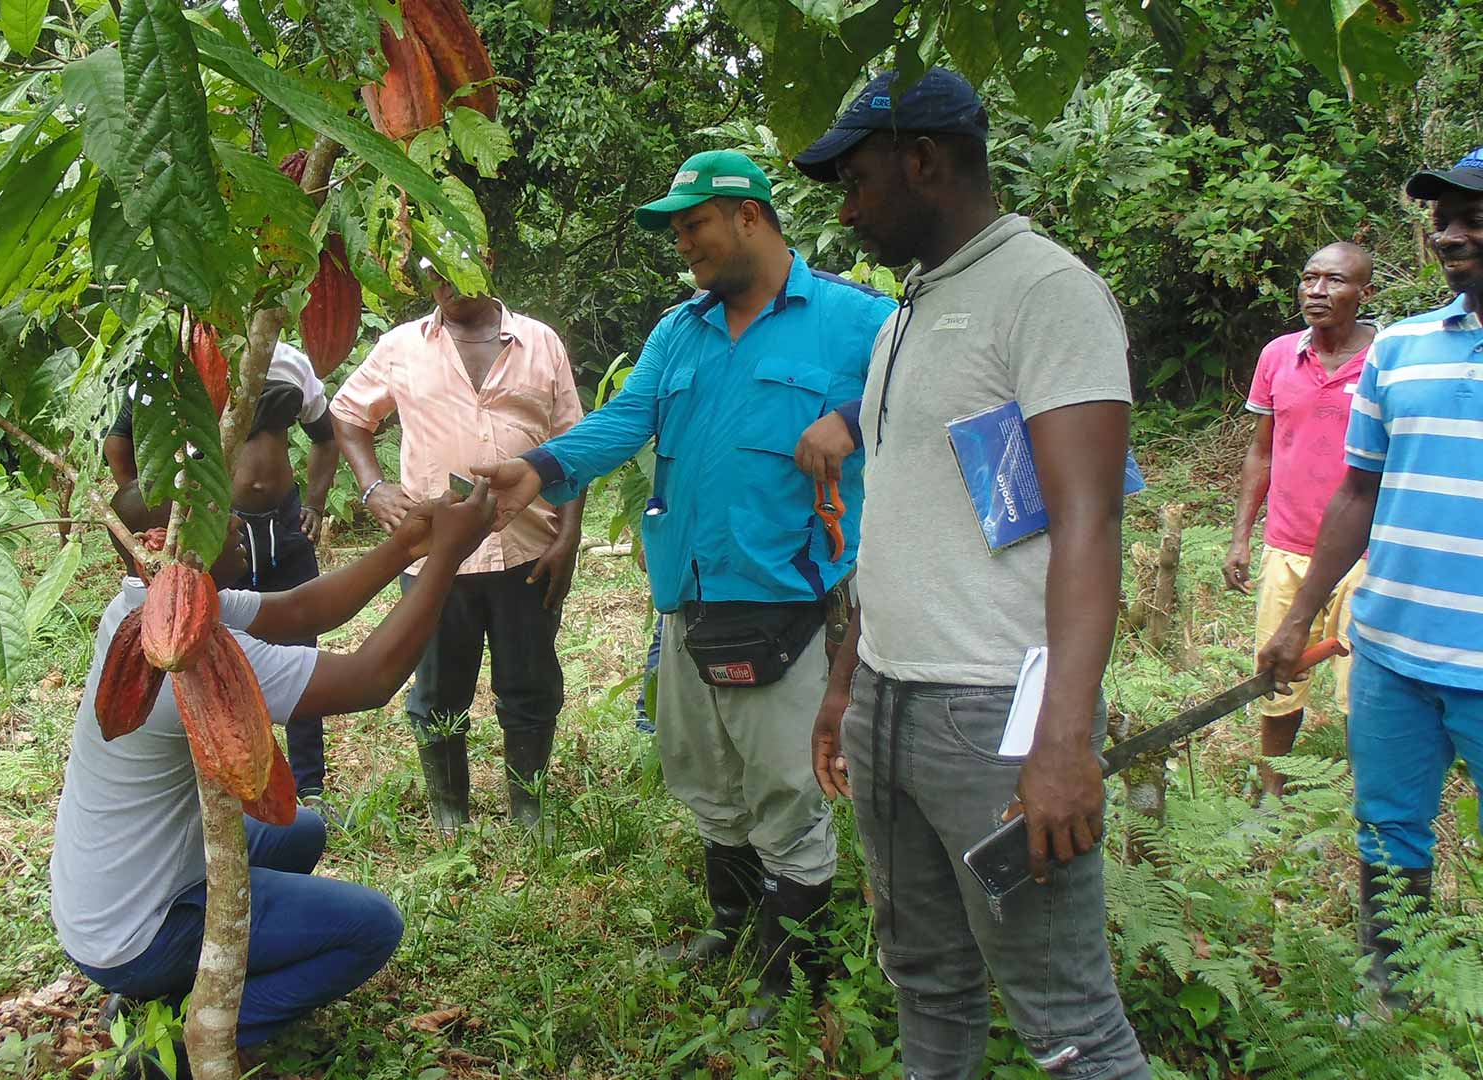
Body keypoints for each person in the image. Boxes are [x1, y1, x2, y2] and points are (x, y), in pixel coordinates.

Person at [475, 150, 892, 1024]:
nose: (684, 246)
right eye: (676, 232)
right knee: (705, 776)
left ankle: (792, 973)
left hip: (790, 596)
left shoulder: (858, 322)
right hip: (688, 594)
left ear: (749, 216)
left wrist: (851, 418)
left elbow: (926, 388)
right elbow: (629, 420)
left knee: (785, 784)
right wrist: (537, 468)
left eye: (693, 226)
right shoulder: (680, 331)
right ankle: (733, 923)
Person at [794, 68, 1148, 1077]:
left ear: (925, 161)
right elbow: (902, 524)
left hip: (996, 718)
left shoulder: (1047, 294)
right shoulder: (909, 314)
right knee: (928, 988)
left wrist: (1064, 743)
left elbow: (1091, 522)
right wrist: (846, 683)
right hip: (893, 708)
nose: (848, 210)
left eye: (859, 181)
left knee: (1069, 1023)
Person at [50, 478, 497, 1054]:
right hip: (136, 933)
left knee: (300, 829)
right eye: (218, 514)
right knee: (371, 928)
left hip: (105, 902)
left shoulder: (158, 602)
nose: (238, 522)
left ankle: (162, 990)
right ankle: (187, 1046)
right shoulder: (182, 659)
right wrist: (449, 559)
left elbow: (303, 608)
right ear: (166, 542)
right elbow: (371, 680)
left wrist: (411, 544)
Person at [1259, 146, 1483, 1010]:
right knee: (1388, 830)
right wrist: (1299, 615)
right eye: (1441, 218)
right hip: (1391, 651)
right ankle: (1392, 993)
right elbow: (1357, 491)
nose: (1450, 235)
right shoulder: (1404, 351)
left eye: (1474, 217)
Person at [328, 254, 586, 831]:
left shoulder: (539, 342)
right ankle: (450, 811)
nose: (441, 282)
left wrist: (567, 536)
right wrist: (373, 488)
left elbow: (574, 442)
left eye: (451, 266)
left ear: (486, 262)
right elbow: (347, 416)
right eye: (430, 272)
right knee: (439, 687)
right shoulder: (401, 347)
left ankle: (528, 805)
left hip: (528, 549)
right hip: (437, 558)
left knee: (530, 684)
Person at [104, 336, 341, 797]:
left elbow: (325, 437)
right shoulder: (170, 368)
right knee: (221, 657)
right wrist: (154, 513)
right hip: (218, 538)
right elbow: (119, 443)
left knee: (300, 645)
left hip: (282, 524)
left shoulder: (288, 360)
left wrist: (314, 503)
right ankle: (238, 781)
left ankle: (309, 785)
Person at [1224, 242, 1376, 798]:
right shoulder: (1278, 356)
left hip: (1368, 554)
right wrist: (1242, 536)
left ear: (1365, 294)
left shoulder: (1389, 359)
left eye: (1334, 281)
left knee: (1362, 690)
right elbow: (1261, 452)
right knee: (1276, 677)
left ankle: (1366, 803)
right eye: (1309, 279)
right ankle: (1271, 793)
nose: (1316, 291)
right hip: (1287, 545)